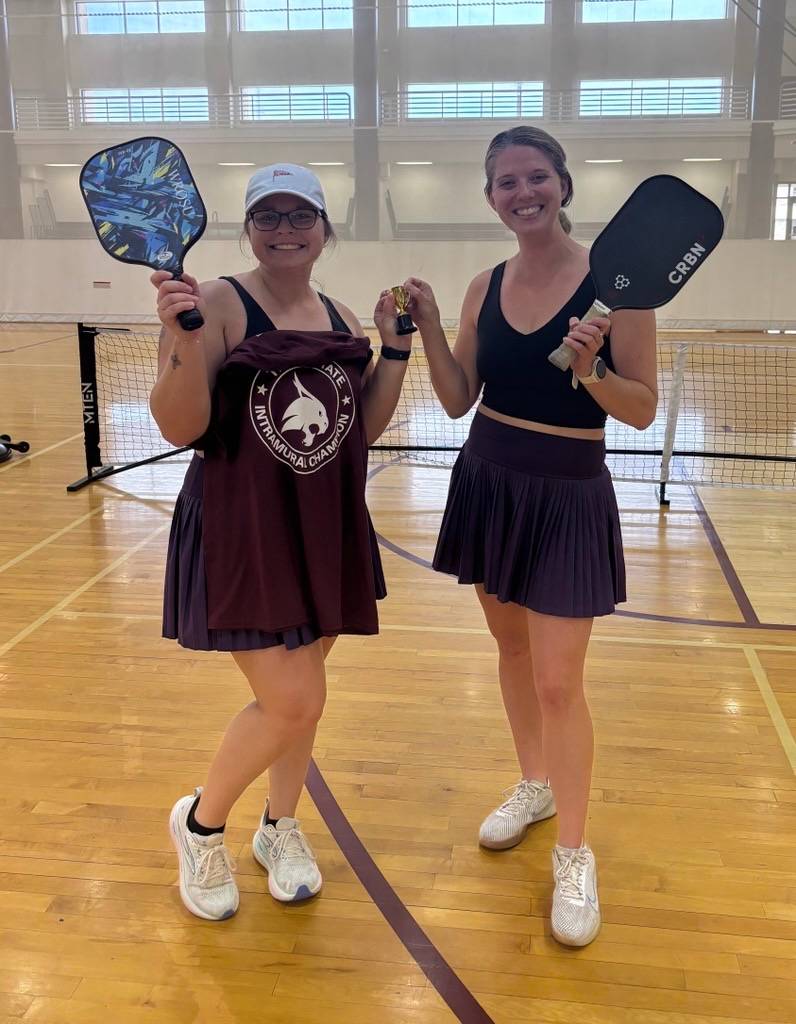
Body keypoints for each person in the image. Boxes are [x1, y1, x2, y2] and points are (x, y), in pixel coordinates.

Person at [401, 126, 657, 947]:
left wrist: (592, 371)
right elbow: (454, 397)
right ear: (490, 197)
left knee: (558, 683)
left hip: (570, 494)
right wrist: (435, 324)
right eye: (506, 182)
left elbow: (642, 408)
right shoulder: (484, 284)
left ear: (563, 185)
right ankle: (533, 784)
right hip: (490, 481)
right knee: (512, 655)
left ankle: (575, 854)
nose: (523, 193)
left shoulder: (621, 289)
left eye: (537, 177)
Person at [149, 163, 412, 921]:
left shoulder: (336, 314)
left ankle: (280, 826)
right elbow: (180, 427)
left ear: (326, 230)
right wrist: (176, 340)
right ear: (249, 230)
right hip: (244, 528)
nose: (286, 229)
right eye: (270, 216)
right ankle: (200, 824)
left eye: (302, 216)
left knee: (305, 700)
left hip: (320, 525)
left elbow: (357, 429)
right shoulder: (223, 302)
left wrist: (393, 352)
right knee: (292, 699)